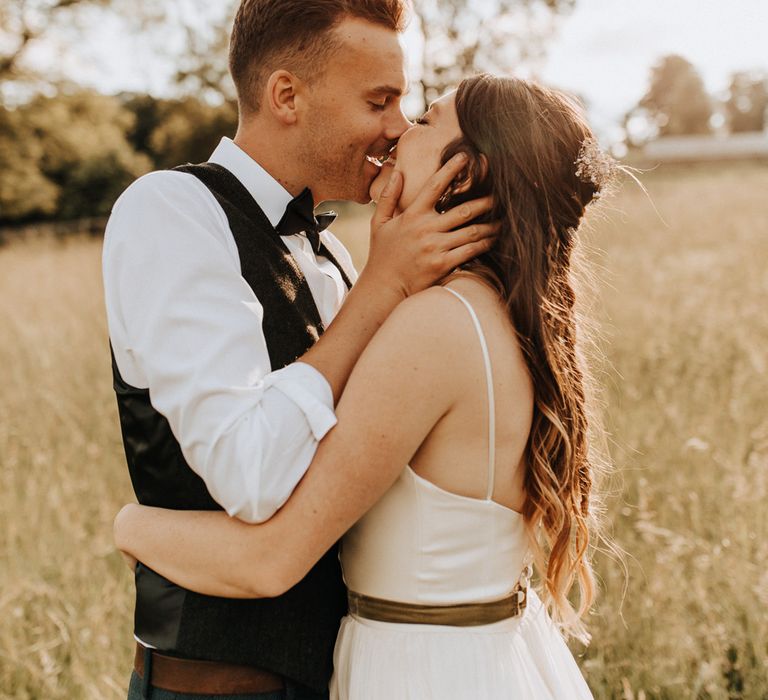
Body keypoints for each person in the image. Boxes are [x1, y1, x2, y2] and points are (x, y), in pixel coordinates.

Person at [115, 73, 613, 699]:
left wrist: (130, 526)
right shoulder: (506, 311)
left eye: (426, 120)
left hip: (421, 672)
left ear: (461, 175)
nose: (402, 129)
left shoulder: (433, 324)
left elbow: (273, 558)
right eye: (383, 102)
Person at [102, 0, 498, 698]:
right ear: (287, 95)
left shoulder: (336, 255)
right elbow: (249, 473)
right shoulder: (169, 210)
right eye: (380, 100)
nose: (397, 128)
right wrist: (382, 288)